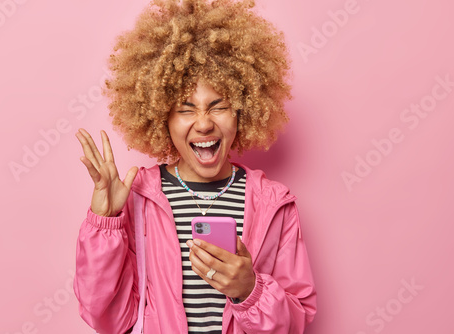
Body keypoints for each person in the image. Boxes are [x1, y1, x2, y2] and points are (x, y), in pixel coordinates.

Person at [73, 0, 317, 333]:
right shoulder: (137, 198)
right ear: (161, 117)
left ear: (243, 111)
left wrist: (249, 289)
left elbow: (297, 322)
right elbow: (108, 319)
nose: (203, 124)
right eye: (186, 110)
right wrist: (105, 225)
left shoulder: (275, 204)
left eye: (218, 106)